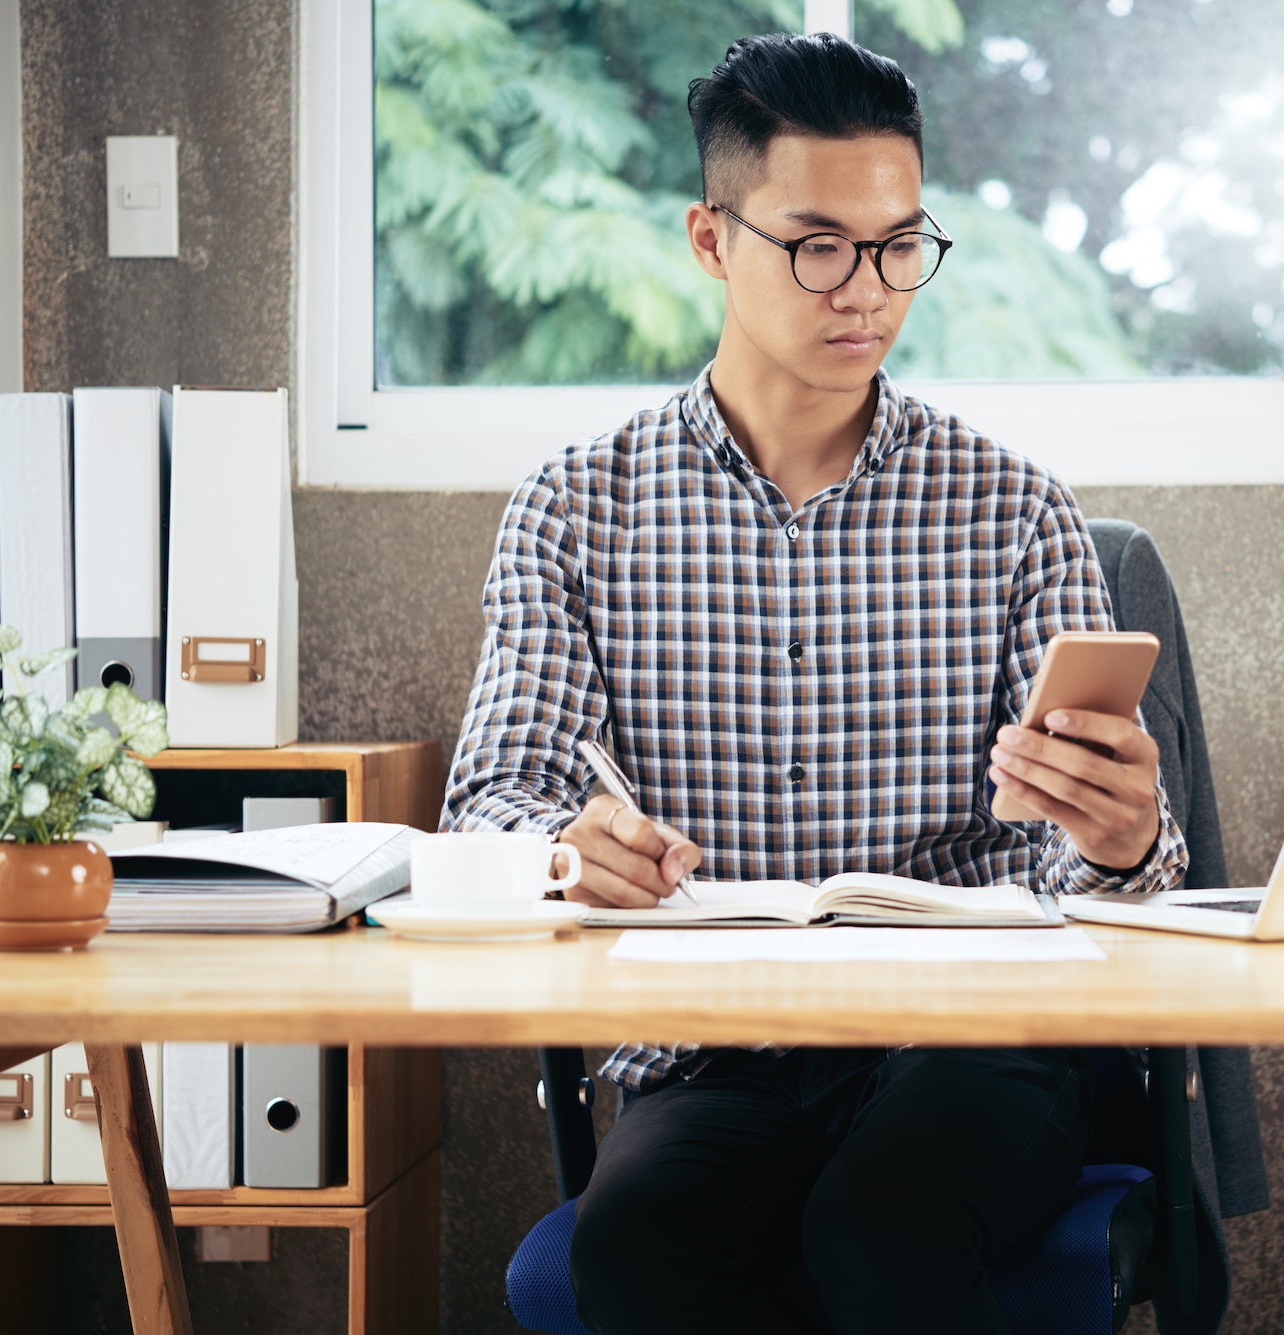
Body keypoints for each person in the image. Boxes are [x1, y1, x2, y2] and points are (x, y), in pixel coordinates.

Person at [441, 31, 1188, 1335]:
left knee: (881, 1229)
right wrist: (562, 849)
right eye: (820, 244)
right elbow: (494, 795)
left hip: (971, 1043)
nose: (870, 291)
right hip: (711, 1053)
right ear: (711, 238)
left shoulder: (1013, 513)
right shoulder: (575, 509)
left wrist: (1124, 843)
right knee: (636, 1257)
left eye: (903, 246)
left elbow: (1101, 885)